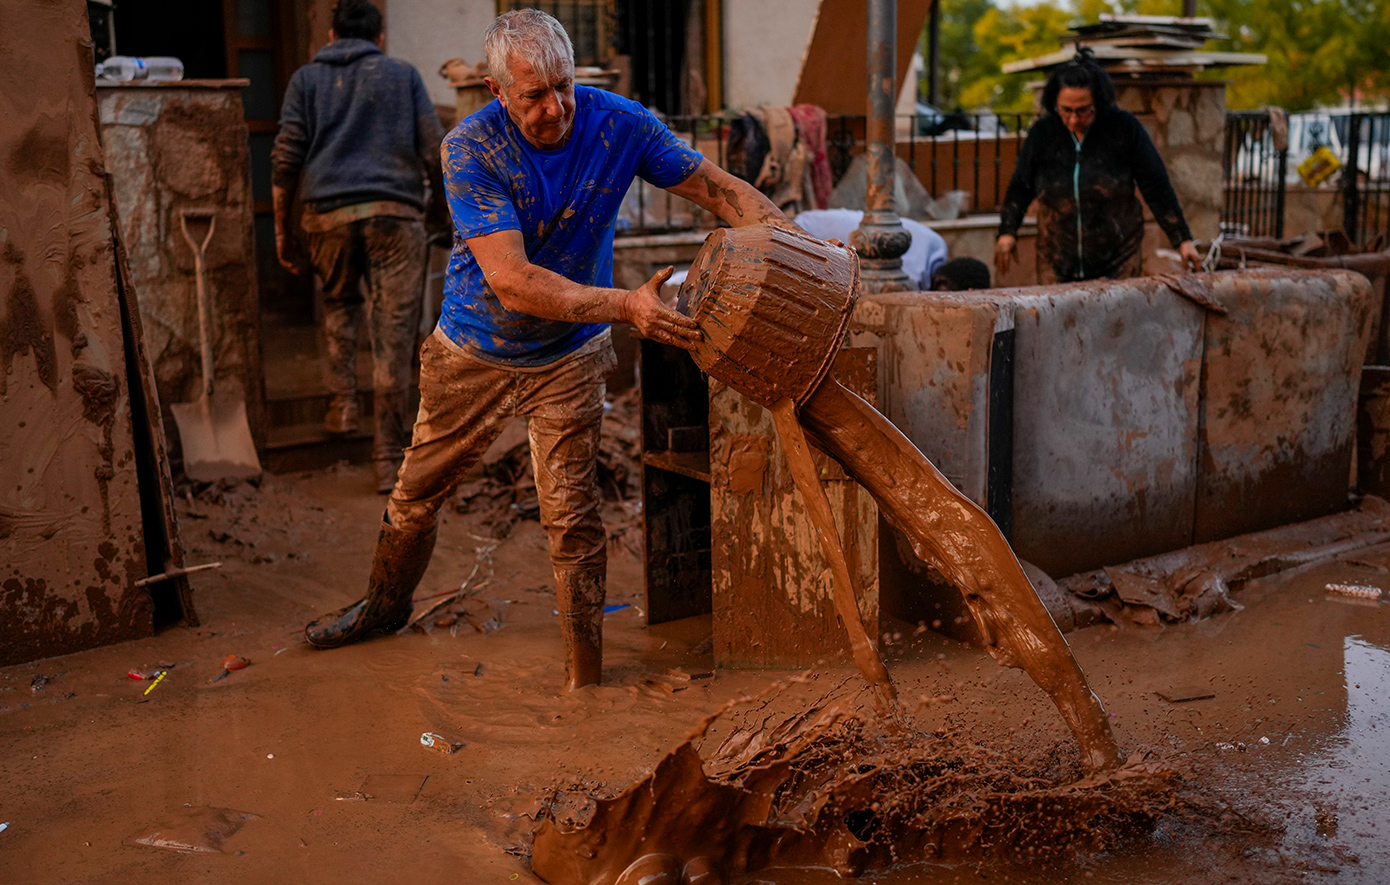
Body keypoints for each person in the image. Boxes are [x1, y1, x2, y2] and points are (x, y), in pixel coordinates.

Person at [303, 9, 797, 692]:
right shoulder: (469, 149)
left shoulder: (618, 122)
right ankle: (383, 607)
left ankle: (582, 680)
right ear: (496, 90)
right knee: (416, 496)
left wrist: (796, 248)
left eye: (562, 86)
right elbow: (512, 281)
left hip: (569, 356)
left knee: (572, 518)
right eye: (533, 95)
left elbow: (720, 191)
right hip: (471, 349)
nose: (554, 107)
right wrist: (628, 305)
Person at [271, 0, 446, 494]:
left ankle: (342, 403)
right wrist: (439, 214)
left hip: (326, 217)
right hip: (395, 218)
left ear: (330, 36)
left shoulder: (306, 79)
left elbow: (284, 160)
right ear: (380, 38)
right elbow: (436, 149)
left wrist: (285, 232)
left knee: (339, 306)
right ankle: (388, 458)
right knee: (393, 336)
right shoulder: (403, 75)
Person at [994, 50, 1201, 284]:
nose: (1073, 120)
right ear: (1055, 104)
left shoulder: (1124, 128)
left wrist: (1182, 239)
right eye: (1066, 110)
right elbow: (1021, 185)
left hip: (1118, 258)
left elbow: (1156, 184)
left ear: (1099, 102)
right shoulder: (1043, 133)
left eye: (1083, 110)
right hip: (1056, 259)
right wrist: (1007, 231)